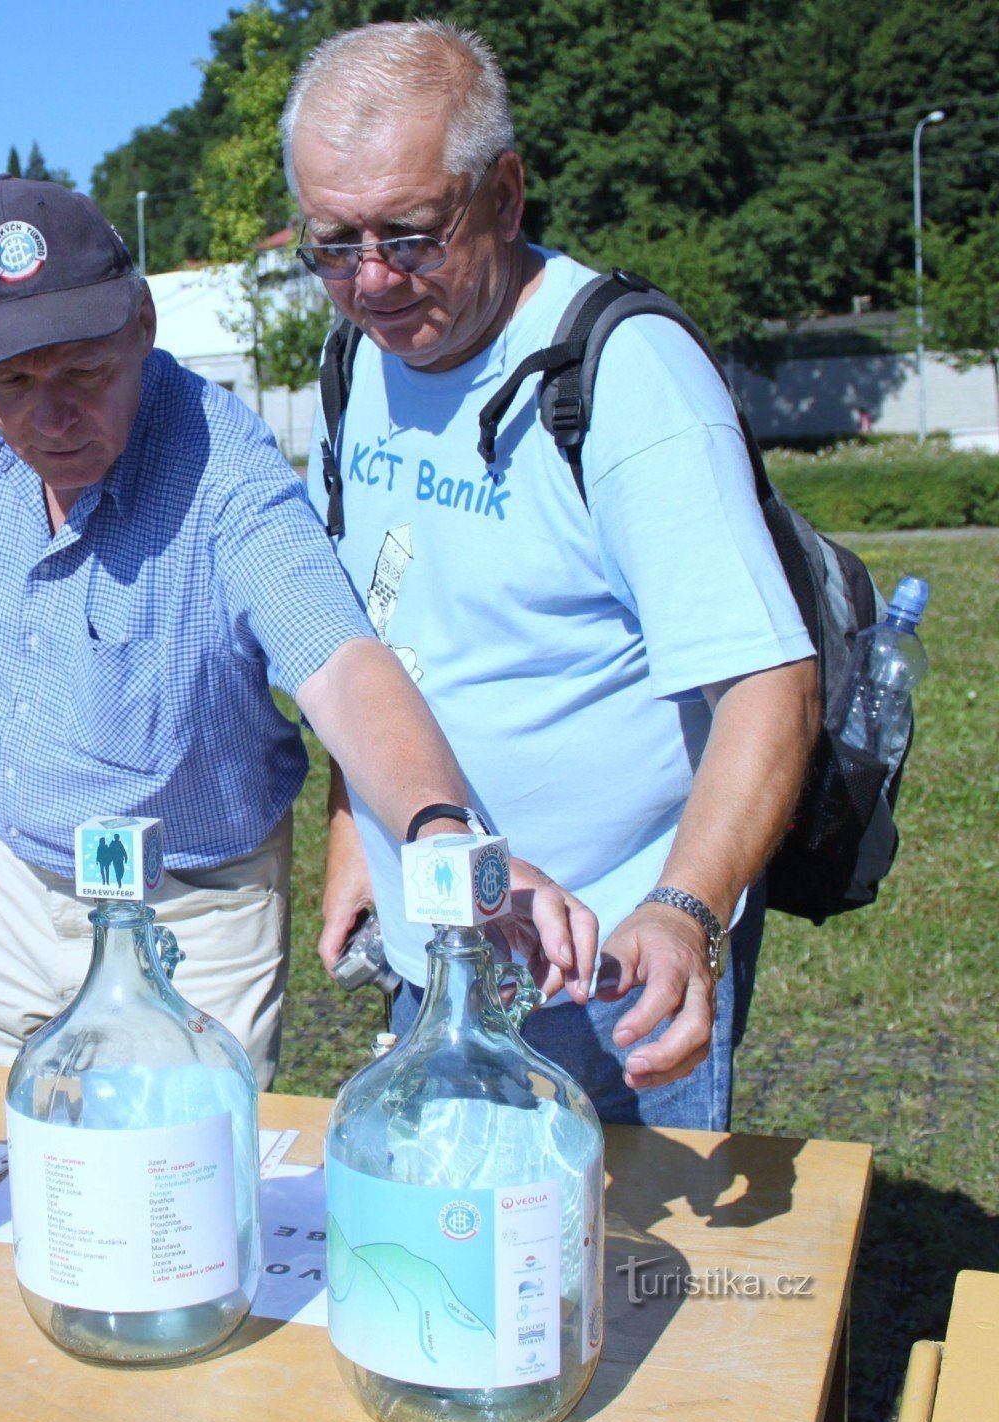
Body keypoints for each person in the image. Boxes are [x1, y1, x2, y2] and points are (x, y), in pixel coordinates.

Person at [0, 178, 595, 1087]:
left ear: (142, 323)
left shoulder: (224, 467)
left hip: (190, 913)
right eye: (13, 384)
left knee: (181, 1195)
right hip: (8, 888)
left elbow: (339, 662)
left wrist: (442, 832)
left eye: (84, 373)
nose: (50, 416)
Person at [285, 21, 818, 1128]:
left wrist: (683, 909)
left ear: (506, 194)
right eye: (331, 243)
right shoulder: (353, 361)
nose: (370, 280)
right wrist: (352, 829)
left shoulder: (623, 379)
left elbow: (768, 685)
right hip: (437, 935)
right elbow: (372, 623)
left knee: (617, 1279)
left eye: (411, 234)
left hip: (609, 960)